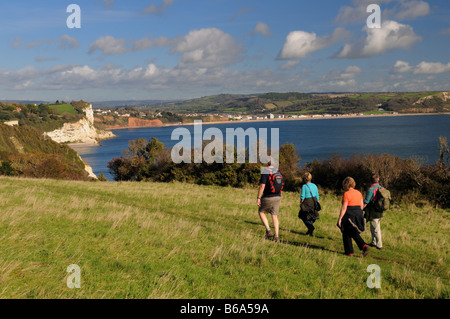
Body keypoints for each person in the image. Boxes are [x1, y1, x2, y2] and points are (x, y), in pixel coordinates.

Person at [337, 177, 370, 257]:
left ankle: (350, 251)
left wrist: (340, 218)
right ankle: (362, 246)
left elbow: (344, 207)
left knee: (346, 232)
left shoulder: (346, 194)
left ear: (345, 184)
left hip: (349, 214)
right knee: (352, 232)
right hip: (358, 214)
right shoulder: (359, 193)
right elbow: (362, 206)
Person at [257, 160, 283, 243]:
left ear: (267, 164)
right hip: (278, 196)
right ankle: (276, 236)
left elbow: (262, 186)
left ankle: (268, 230)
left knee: (261, 212)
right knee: (274, 216)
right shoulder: (278, 172)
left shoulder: (265, 172)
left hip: (268, 196)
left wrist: (258, 197)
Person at [363, 174, 384, 250]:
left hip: (373, 211)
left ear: (370, 180)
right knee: (374, 226)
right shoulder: (382, 188)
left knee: (376, 228)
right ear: (378, 179)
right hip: (380, 210)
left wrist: (360, 208)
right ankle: (373, 242)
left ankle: (379, 245)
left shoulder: (371, 189)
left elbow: (366, 201)